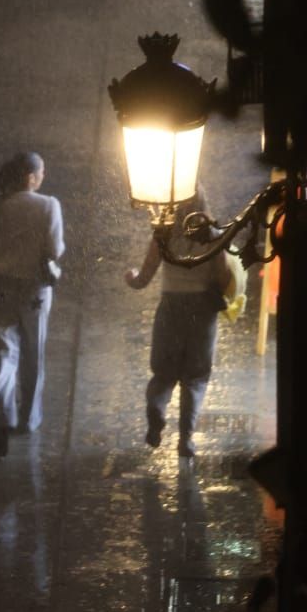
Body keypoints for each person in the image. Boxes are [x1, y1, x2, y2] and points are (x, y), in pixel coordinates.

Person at [125, 187, 230, 459]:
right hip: (203, 309)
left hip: (170, 305)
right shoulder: (214, 235)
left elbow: (144, 277)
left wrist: (132, 277)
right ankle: (186, 440)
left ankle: (157, 409)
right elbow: (222, 277)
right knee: (195, 377)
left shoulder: (165, 233)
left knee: (164, 372)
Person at [0, 152, 65, 458]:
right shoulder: (48, 205)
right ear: (31, 177)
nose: (43, 178)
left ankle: (2, 414)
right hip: (35, 291)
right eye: (41, 173)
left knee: (6, 353)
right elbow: (55, 249)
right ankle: (28, 419)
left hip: (1, 287)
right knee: (33, 354)